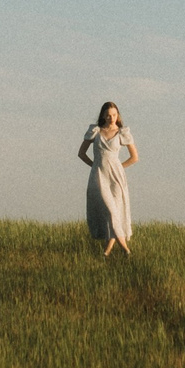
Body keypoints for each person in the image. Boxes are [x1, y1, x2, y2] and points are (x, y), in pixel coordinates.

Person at [77, 101, 138, 258]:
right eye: (108, 115)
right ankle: (126, 250)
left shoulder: (122, 133)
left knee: (115, 213)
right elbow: (81, 153)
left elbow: (134, 157)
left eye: (114, 115)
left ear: (118, 115)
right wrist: (94, 165)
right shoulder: (96, 131)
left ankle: (107, 252)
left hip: (116, 178)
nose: (111, 118)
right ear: (103, 116)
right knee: (109, 211)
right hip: (99, 176)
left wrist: (119, 167)